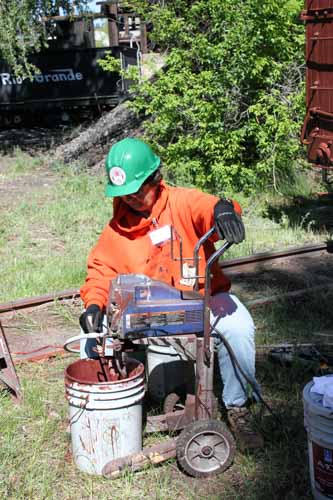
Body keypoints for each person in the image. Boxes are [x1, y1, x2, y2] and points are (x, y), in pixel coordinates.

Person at [79, 137, 263, 451]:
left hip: (202, 300)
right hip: (152, 313)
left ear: (155, 180)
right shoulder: (116, 230)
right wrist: (94, 304)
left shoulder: (180, 202)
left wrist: (224, 210)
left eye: (137, 191)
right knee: (88, 343)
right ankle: (107, 415)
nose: (132, 200)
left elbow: (209, 208)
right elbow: (101, 271)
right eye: (125, 195)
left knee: (239, 326)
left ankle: (237, 406)